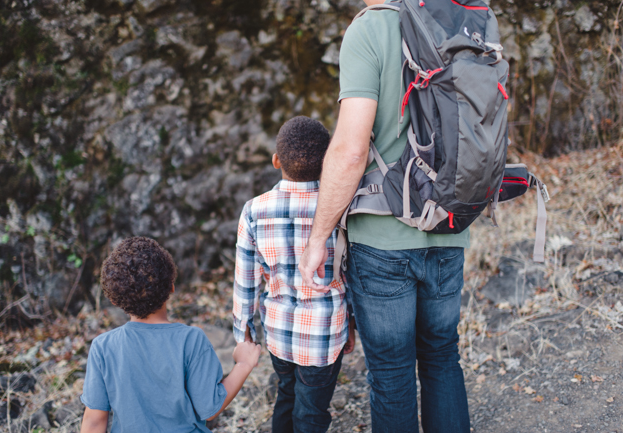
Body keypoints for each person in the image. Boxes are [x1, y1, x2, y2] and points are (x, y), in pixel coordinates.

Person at [298, 1, 471, 432]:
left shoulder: (369, 30)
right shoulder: (456, 23)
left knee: (393, 373)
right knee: (442, 358)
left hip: (382, 239)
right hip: (449, 226)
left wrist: (318, 237)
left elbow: (352, 149)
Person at [232, 116, 355, 433]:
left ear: (276, 161)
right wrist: (351, 321)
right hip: (325, 335)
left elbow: (246, 281)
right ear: (327, 162)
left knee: (285, 396)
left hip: (279, 333)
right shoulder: (341, 209)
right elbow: (353, 273)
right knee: (311, 412)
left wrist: (243, 331)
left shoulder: (254, 210)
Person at [80, 236, 261, 433]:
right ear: (171, 286)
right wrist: (243, 365)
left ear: (115, 300)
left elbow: (94, 422)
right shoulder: (191, 340)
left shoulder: (103, 347)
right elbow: (210, 408)